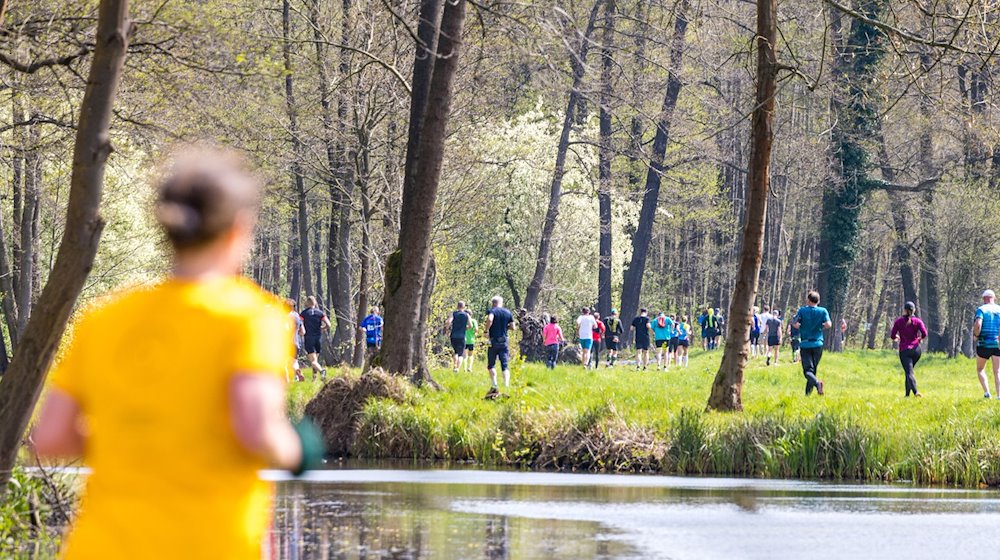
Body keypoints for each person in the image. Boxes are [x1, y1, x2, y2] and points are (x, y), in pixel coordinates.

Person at [30, 148, 323, 559]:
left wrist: (138, 438)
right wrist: (301, 449)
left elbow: (49, 438)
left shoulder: (104, 318)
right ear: (238, 230)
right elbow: (255, 429)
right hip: (210, 544)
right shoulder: (252, 317)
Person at [792, 291, 831, 396]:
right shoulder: (823, 311)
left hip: (805, 344)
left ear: (808, 300)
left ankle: (818, 384)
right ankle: (807, 395)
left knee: (807, 371)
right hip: (818, 344)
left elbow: (795, 323)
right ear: (818, 301)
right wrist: (820, 326)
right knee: (813, 371)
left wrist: (802, 327)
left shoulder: (802, 310)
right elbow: (828, 324)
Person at [890, 301, 927, 397]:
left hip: (905, 350)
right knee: (909, 371)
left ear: (904, 310)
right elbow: (924, 333)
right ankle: (907, 395)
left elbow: (892, 335)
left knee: (909, 372)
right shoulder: (918, 321)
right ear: (914, 310)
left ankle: (916, 392)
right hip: (916, 350)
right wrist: (919, 339)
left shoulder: (899, 321)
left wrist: (897, 337)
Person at [485, 295, 515, 398]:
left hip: (493, 340)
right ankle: (506, 385)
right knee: (505, 364)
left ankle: (495, 384)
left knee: (491, 364)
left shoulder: (492, 311)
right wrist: (505, 327)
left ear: (493, 303)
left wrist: (486, 330)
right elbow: (513, 327)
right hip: (504, 340)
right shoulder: (507, 312)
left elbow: (490, 320)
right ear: (501, 303)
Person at [973, 289, 1000, 399]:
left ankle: (987, 392)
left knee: (980, 369)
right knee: (997, 371)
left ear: (984, 299)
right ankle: (999, 396)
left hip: (984, 343)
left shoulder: (981, 310)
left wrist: (976, 334)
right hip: (997, 344)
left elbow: (978, 324)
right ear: (994, 298)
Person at [300, 295, 331, 381]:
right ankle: (314, 379)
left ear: (307, 303)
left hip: (309, 338)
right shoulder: (320, 313)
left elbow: (300, 323)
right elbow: (329, 324)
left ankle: (322, 371)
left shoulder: (304, 313)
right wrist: (323, 328)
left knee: (313, 361)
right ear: (315, 303)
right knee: (315, 360)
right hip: (318, 338)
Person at [447, 300, 471, 372]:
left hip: (453, 335)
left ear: (457, 306)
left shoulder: (453, 314)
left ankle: (454, 366)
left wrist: (447, 329)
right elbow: (470, 325)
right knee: (460, 354)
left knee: (455, 352)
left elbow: (448, 322)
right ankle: (457, 368)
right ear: (464, 307)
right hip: (462, 336)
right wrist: (465, 328)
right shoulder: (467, 315)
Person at [287, 298, 305, 382]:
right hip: (297, 342)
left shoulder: (286, 316)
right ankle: (297, 376)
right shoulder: (297, 316)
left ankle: (288, 380)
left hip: (287, 342)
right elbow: (303, 332)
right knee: (294, 361)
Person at [464, 308, 478, 373]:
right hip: (471, 340)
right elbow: (476, 330)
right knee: (470, 355)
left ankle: (464, 368)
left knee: (464, 355)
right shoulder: (473, 321)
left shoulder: (463, 321)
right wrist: (474, 333)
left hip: (464, 340)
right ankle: (470, 367)